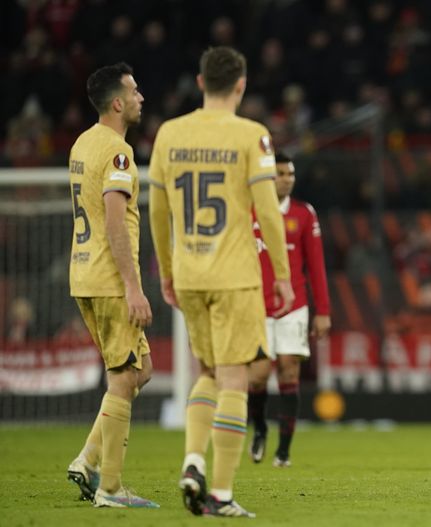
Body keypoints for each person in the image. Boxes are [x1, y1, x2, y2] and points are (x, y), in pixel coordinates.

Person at [148, 46, 294, 518]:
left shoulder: (170, 134)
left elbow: (158, 209)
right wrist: (284, 275)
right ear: (241, 85)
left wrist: (167, 269)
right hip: (234, 274)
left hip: (189, 272)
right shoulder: (252, 135)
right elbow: (269, 212)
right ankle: (223, 494)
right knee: (235, 378)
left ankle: (193, 460)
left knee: (207, 373)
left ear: (199, 81)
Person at [66, 62, 158, 509]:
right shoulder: (119, 154)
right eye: (135, 91)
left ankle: (87, 460)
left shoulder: (83, 143)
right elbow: (116, 223)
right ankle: (111, 488)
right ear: (118, 103)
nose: (142, 97)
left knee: (141, 371)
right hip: (108, 280)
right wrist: (133, 287)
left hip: (82, 274)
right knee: (123, 378)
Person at [248, 152, 331, 467]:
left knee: (288, 369)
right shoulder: (249, 211)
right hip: (255, 306)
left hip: (293, 305)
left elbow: (317, 267)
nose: (287, 178)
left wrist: (322, 310)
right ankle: (258, 430)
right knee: (256, 377)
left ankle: (283, 450)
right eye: (280, 173)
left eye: (290, 173)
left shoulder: (304, 213)